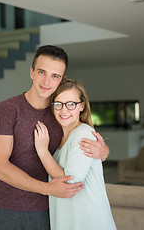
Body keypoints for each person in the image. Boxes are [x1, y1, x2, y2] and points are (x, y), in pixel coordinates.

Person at [0, 45, 109, 230]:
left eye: (55, 76)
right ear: (32, 72)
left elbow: (79, 145)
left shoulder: (63, 113)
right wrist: (47, 188)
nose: (46, 81)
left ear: (62, 79)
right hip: (7, 210)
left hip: (49, 212)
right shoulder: (7, 110)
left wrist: (103, 151)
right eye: (42, 72)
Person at [34, 78, 116, 230]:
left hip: (89, 222)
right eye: (58, 104)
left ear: (82, 106)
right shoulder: (61, 138)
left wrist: (42, 151)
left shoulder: (83, 133)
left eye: (71, 104)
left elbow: (70, 182)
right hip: (68, 221)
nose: (64, 110)